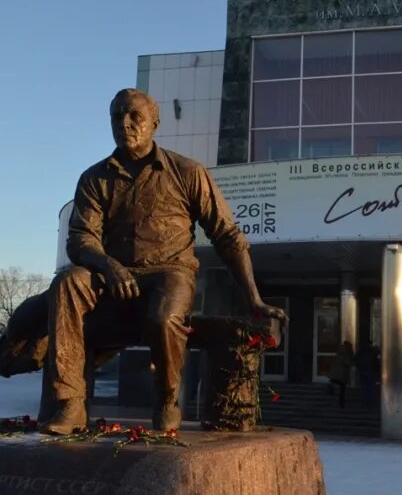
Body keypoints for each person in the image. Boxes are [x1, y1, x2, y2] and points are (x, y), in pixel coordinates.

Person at [40, 88, 286, 435]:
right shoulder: (95, 178)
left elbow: (227, 235)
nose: (124, 123)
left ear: (154, 123)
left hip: (170, 273)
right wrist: (109, 266)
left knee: (164, 317)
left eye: (134, 116)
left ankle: (167, 401)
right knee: (67, 283)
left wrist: (254, 299)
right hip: (113, 276)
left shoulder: (187, 172)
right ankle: (70, 403)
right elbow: (81, 238)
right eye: (117, 116)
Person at [327, 341, 354, 408]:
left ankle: (338, 403)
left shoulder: (338, 354)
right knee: (341, 391)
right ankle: (341, 404)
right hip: (341, 376)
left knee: (339, 390)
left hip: (335, 375)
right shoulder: (345, 355)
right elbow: (349, 363)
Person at [354, 339, 378, 409]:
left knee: (365, 388)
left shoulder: (360, 352)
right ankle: (369, 403)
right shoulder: (372, 352)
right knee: (370, 388)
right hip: (371, 373)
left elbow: (356, 361)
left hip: (363, 372)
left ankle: (366, 402)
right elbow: (375, 363)